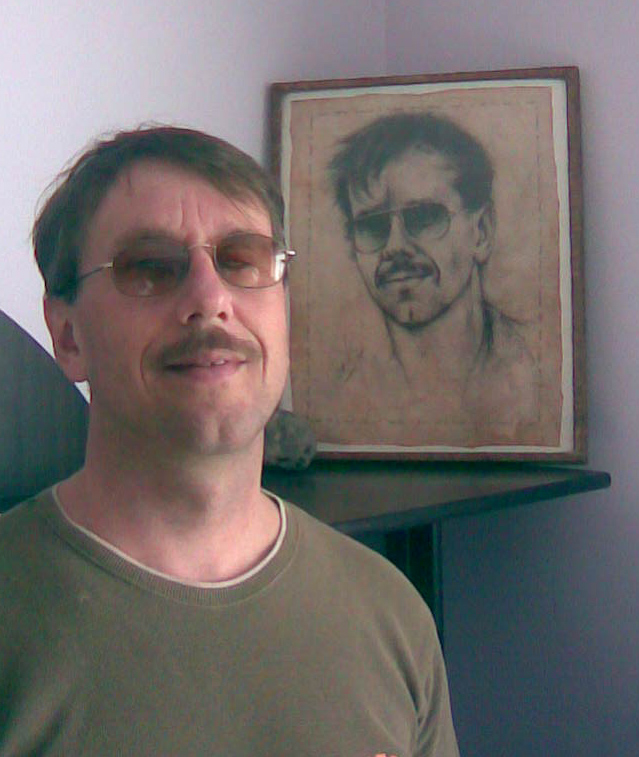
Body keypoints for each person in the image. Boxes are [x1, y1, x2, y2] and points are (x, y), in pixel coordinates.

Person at [0, 126, 459, 755]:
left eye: (242, 261)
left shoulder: (392, 614)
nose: (211, 299)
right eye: (150, 268)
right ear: (68, 336)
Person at [329, 112, 536, 440]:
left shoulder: (533, 379)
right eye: (372, 226)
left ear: (481, 232)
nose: (395, 247)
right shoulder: (342, 401)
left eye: (424, 217)